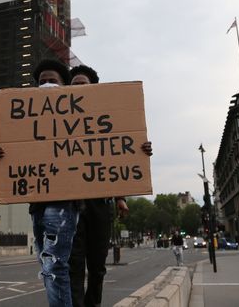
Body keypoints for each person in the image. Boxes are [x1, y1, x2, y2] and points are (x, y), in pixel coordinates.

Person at [68, 64, 153, 307]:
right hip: (71, 207)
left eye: (83, 84)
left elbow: (114, 157)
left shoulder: (108, 118)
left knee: (97, 267)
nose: (79, 88)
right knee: (74, 267)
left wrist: (140, 151)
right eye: (74, 84)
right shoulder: (58, 122)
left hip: (99, 205)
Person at [0, 59, 78, 307]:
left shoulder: (73, 118)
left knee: (54, 265)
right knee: (47, 266)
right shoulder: (27, 126)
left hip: (63, 203)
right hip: (38, 205)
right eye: (41, 82)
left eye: (52, 81)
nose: (46, 85)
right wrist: (2, 156)